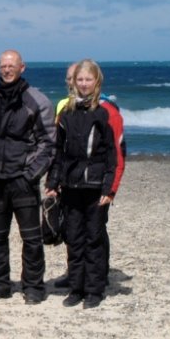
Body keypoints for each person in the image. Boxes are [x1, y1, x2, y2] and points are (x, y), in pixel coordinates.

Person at [0, 50, 55, 304]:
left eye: (11, 66)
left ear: (22, 67)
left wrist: (30, 175)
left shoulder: (36, 101)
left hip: (22, 181)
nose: (7, 70)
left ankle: (33, 287)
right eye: (3, 66)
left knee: (31, 239)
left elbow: (48, 144)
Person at [46, 59, 117, 309]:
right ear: (74, 82)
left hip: (96, 186)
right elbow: (58, 152)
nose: (84, 84)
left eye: (88, 79)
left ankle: (94, 290)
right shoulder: (66, 113)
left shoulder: (104, 113)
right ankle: (76, 288)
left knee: (93, 239)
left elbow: (112, 155)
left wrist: (109, 189)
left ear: (96, 82)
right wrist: (53, 182)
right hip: (71, 185)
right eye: (80, 79)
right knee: (73, 238)